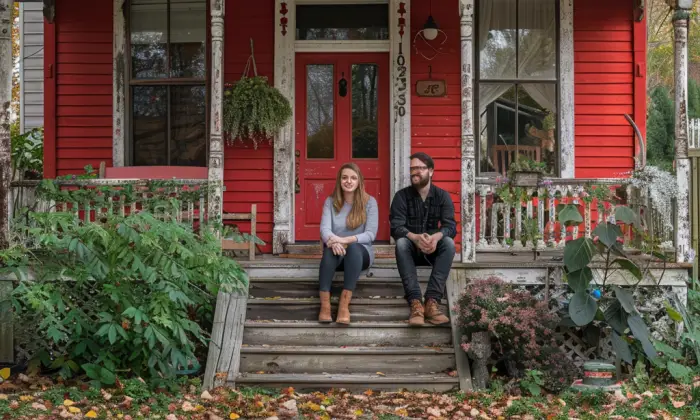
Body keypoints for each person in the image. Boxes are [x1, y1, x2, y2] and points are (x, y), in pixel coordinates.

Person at [389, 152, 456, 326]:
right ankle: (415, 304)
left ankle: (432, 302)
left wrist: (436, 237)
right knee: (402, 242)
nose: (414, 172)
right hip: (411, 250)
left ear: (431, 171)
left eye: (419, 168)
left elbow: (450, 226)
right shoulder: (401, 196)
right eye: (412, 168)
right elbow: (396, 228)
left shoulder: (442, 196)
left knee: (448, 243)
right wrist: (415, 237)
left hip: (433, 251)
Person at [319, 163, 378, 324]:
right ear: (339, 181)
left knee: (353, 248)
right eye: (345, 178)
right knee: (329, 249)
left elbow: (371, 234)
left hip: (360, 254)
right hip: (337, 253)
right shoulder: (330, 202)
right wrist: (333, 242)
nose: (349, 181)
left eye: (353, 178)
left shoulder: (369, 202)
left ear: (359, 181)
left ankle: (344, 305)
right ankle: (325, 305)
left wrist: (343, 240)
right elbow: (324, 229)